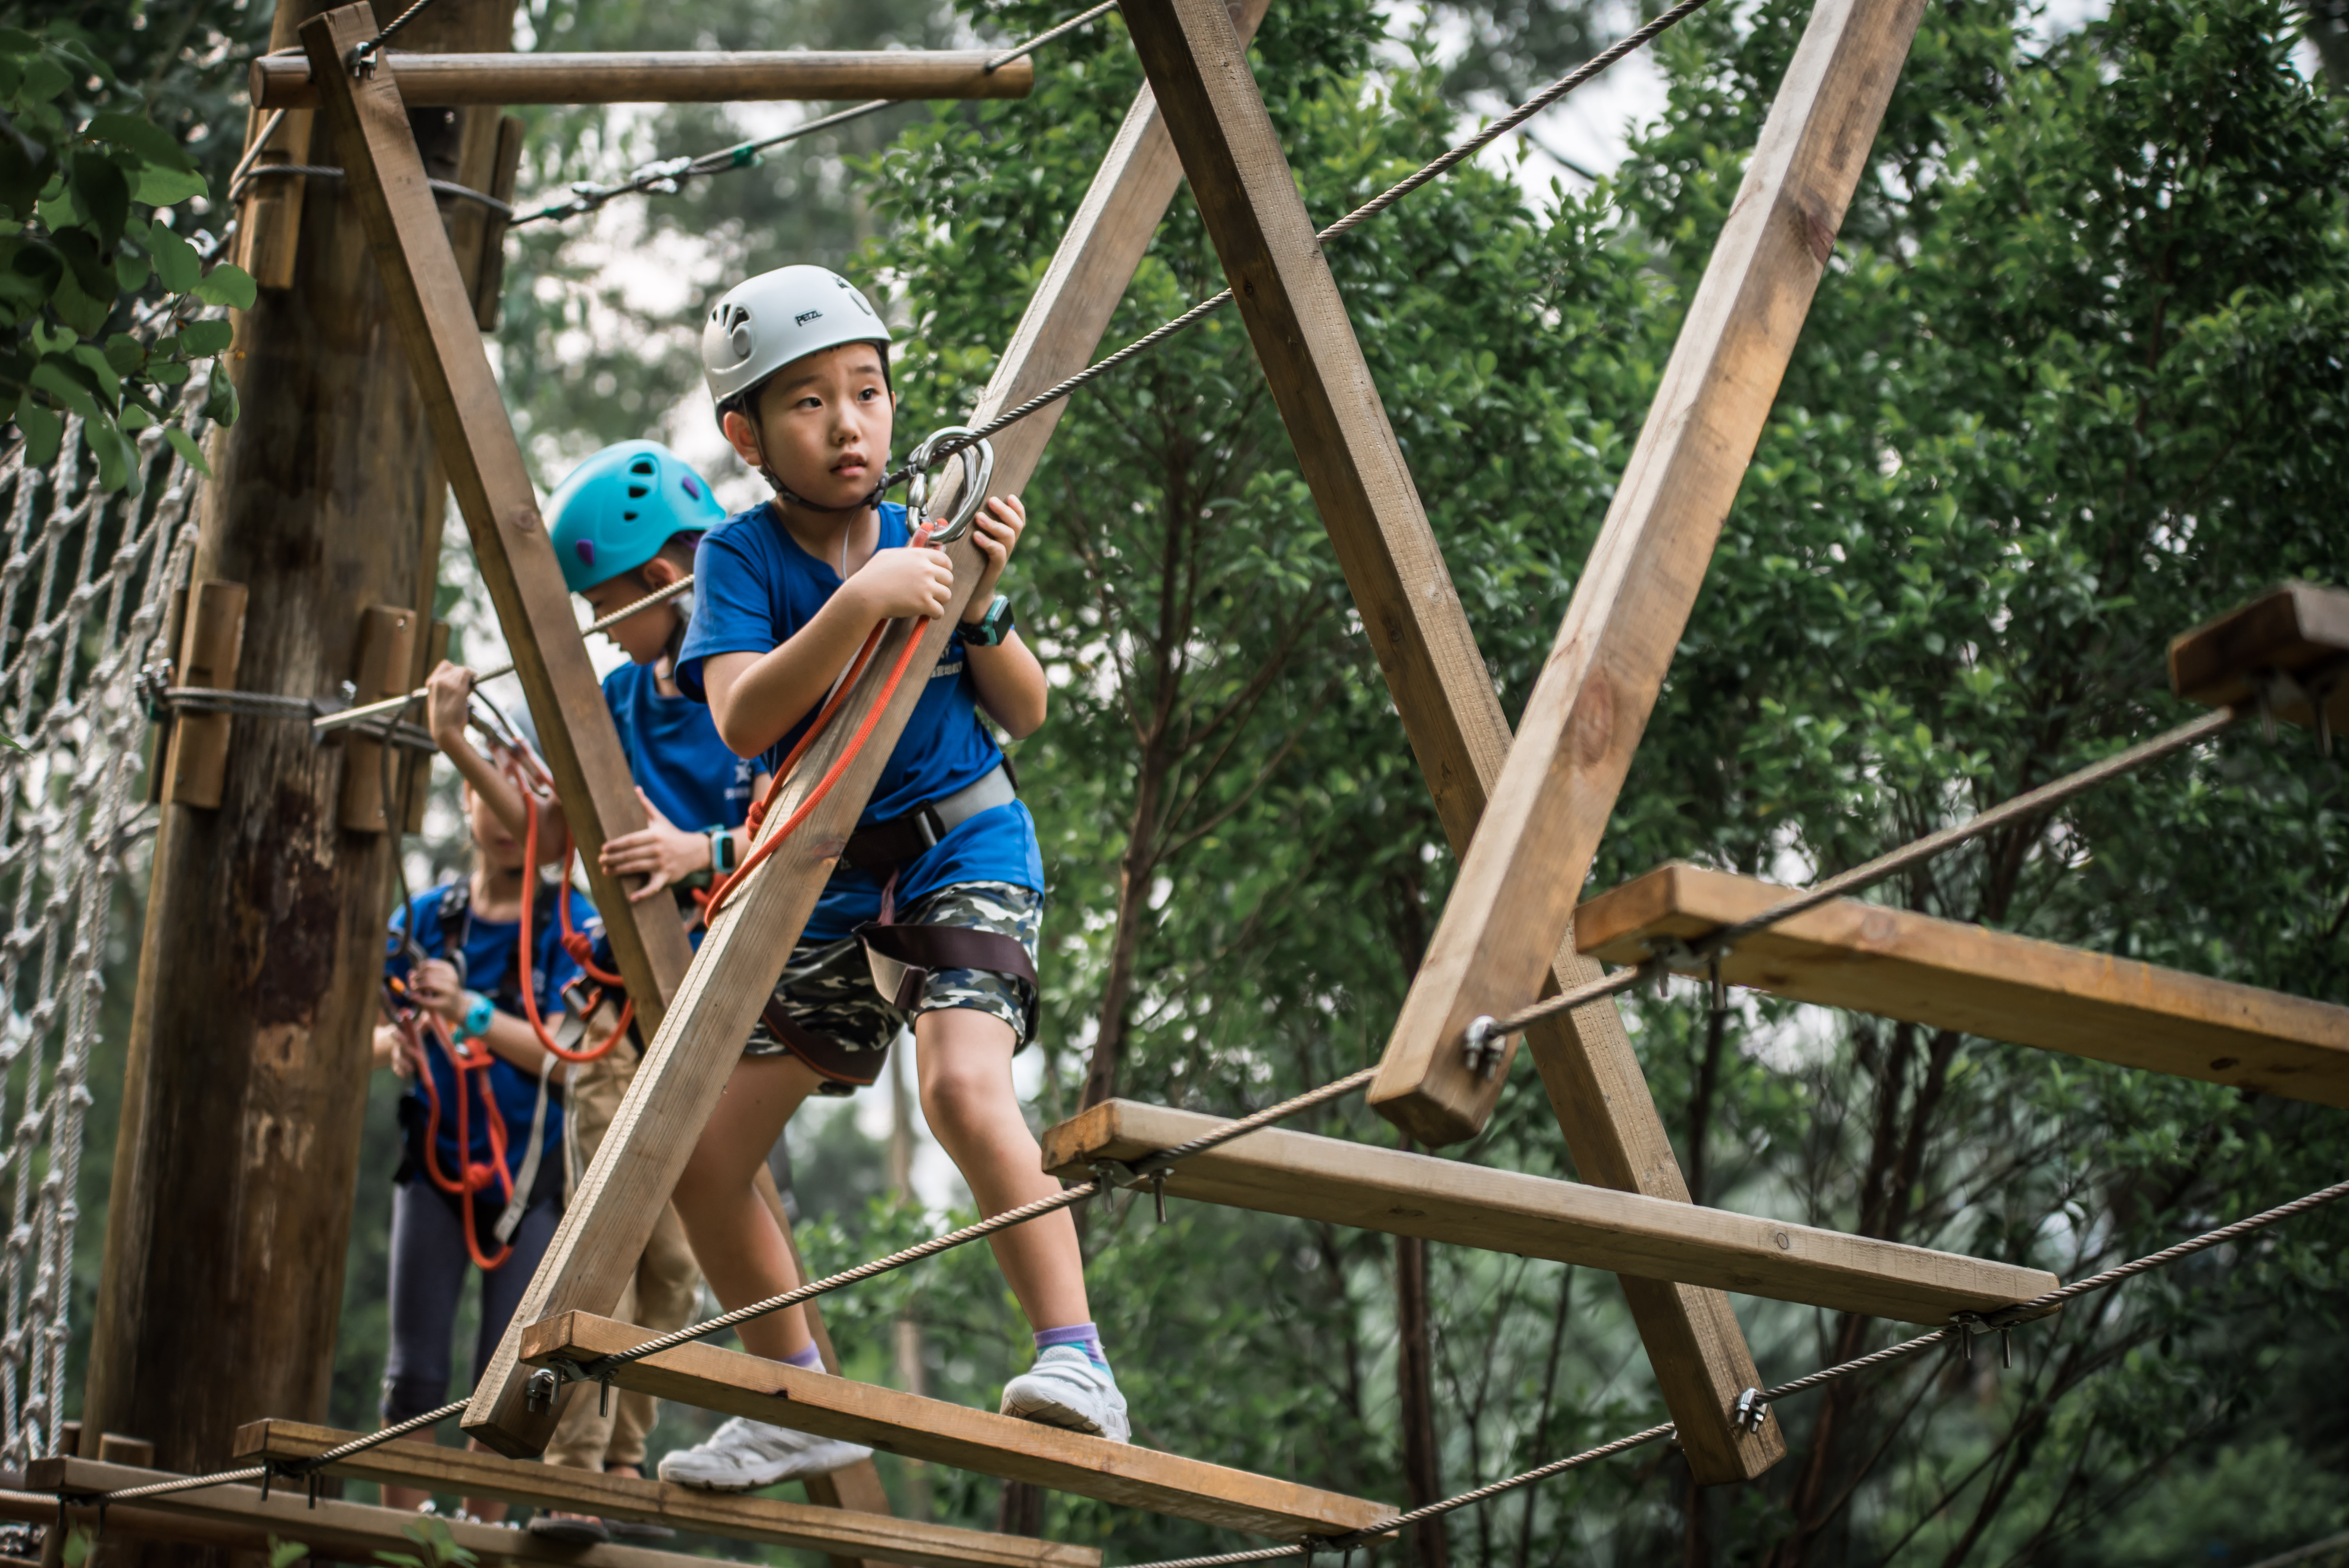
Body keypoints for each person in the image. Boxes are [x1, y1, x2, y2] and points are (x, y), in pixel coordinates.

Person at [651, 263, 1121, 1497]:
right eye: (809, 403)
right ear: (746, 435)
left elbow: (1028, 709)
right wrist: (863, 601)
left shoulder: (939, 528)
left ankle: (1076, 1359)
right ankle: (796, 1396)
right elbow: (745, 719)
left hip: (963, 845)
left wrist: (977, 602)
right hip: (829, 884)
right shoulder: (738, 561)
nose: (849, 423)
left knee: (965, 1089)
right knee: (701, 1158)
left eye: (867, 392)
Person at [417, 442, 760, 1536]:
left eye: (609, 604)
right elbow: (549, 834)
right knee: (613, 1236)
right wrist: (462, 743)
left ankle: (618, 1463)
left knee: (678, 1265)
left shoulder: (746, 682)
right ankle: (578, 1471)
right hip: (613, 1008)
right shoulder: (617, 695)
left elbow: (798, 824)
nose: (604, 629)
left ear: (668, 578)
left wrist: (695, 852)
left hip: (716, 1002)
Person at [371, 764, 595, 1521]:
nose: (507, 815)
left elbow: (570, 1056)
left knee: (508, 1378)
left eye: (527, 798)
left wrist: (467, 1011)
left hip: (529, 1174)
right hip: (435, 1159)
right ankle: (401, 1532)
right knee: (413, 1373)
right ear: (466, 798)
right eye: (489, 791)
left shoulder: (573, 923)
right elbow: (371, 1029)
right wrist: (395, 1044)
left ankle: (478, 1535)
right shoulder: (429, 917)